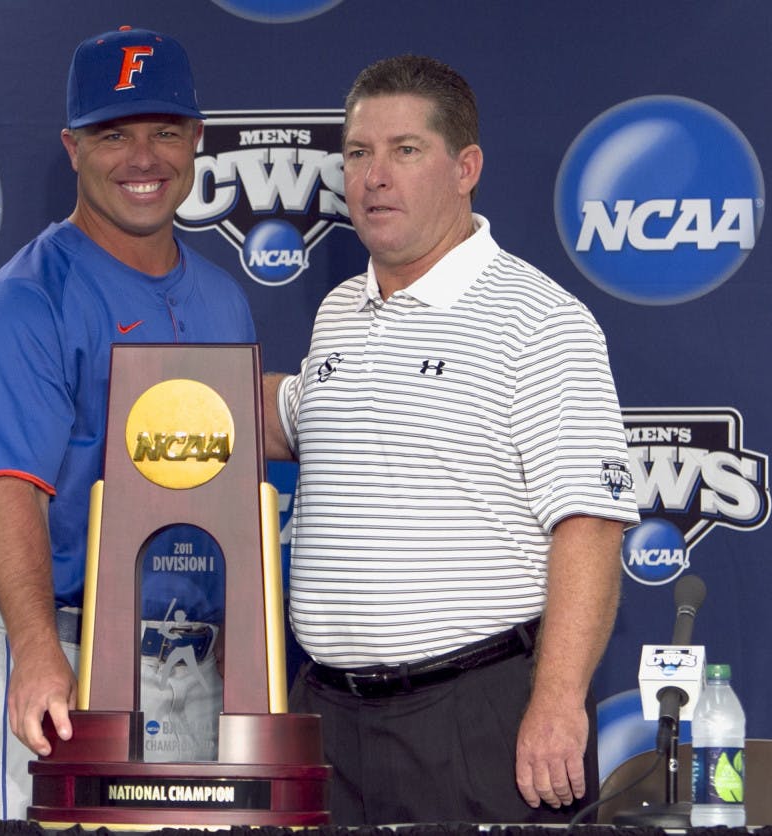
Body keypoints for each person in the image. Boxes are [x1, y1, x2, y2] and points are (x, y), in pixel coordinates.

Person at [263, 54, 640, 825]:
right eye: (358, 153)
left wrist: (559, 702)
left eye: (405, 151)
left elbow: (590, 527)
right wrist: (148, 384)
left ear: (465, 166)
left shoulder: (541, 322)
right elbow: (298, 418)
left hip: (477, 720)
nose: (374, 177)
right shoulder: (339, 309)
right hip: (326, 721)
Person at [0, 26, 255, 819]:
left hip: (198, 659)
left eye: (163, 131)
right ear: (72, 148)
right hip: (70, 650)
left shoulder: (222, 298)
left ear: (197, 141)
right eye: (113, 134)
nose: (142, 158)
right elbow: (9, 488)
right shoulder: (25, 304)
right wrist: (40, 658)